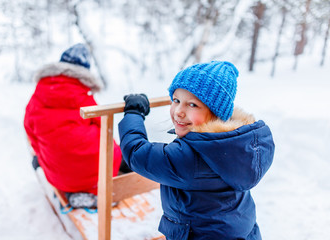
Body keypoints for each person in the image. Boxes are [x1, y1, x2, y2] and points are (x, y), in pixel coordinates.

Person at [118, 61, 275, 239]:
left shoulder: (191, 158)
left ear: (216, 113)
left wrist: (134, 113)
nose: (178, 111)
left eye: (192, 105)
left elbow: (136, 153)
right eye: (176, 100)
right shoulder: (236, 144)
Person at [24, 43, 130, 209]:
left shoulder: (38, 94)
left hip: (58, 176)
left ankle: (73, 191)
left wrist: (44, 157)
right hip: (96, 172)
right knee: (114, 151)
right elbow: (105, 130)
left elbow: (30, 132)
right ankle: (96, 191)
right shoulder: (83, 95)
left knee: (50, 154)